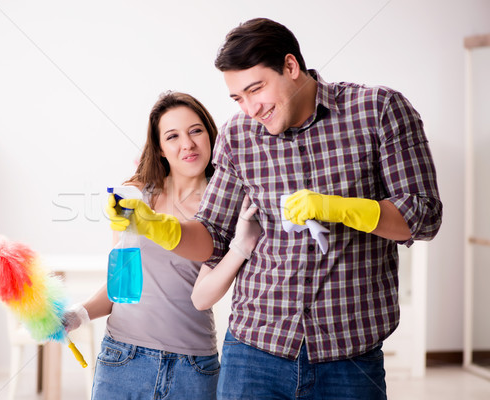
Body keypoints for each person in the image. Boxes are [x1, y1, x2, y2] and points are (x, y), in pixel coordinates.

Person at [109, 18, 443, 399]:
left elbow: (424, 215)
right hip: (253, 353)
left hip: (350, 355)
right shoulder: (238, 137)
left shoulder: (378, 111)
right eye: (238, 98)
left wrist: (342, 209)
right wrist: (158, 227)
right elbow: (213, 237)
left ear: (290, 66)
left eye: (256, 90)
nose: (250, 109)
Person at [65, 91, 257, 400]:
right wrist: (79, 314)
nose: (187, 144)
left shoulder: (227, 206)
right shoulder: (135, 197)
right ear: (161, 149)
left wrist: (241, 246)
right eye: (172, 136)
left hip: (193, 368)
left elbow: (208, 294)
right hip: (122, 359)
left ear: (211, 135)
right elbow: (121, 283)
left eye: (196, 131)